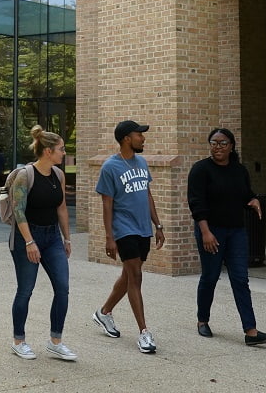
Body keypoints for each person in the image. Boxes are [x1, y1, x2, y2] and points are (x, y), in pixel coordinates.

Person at [186, 127, 266, 346]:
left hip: (236, 232)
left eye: (223, 143)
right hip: (211, 231)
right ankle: (202, 320)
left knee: (240, 279)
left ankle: (251, 331)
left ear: (231, 146)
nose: (218, 147)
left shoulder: (239, 170)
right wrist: (206, 232)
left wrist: (253, 200)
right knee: (210, 277)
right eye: (214, 143)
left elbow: (245, 194)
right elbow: (196, 203)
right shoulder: (200, 170)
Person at [92, 119, 165, 354]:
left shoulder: (141, 162)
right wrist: (109, 237)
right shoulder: (110, 167)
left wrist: (159, 225)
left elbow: (148, 195)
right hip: (124, 229)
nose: (143, 138)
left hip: (143, 228)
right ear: (126, 138)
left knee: (128, 275)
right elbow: (107, 205)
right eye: (139, 135)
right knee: (135, 276)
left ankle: (103, 313)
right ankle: (144, 333)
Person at [9, 125, 77, 361]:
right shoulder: (24, 176)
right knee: (25, 290)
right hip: (27, 237)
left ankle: (55, 341)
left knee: (63, 288)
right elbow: (18, 212)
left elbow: (61, 207)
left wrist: (66, 238)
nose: (64, 153)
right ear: (48, 151)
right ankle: (19, 341)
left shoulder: (58, 174)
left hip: (52, 238)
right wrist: (29, 242)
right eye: (61, 149)